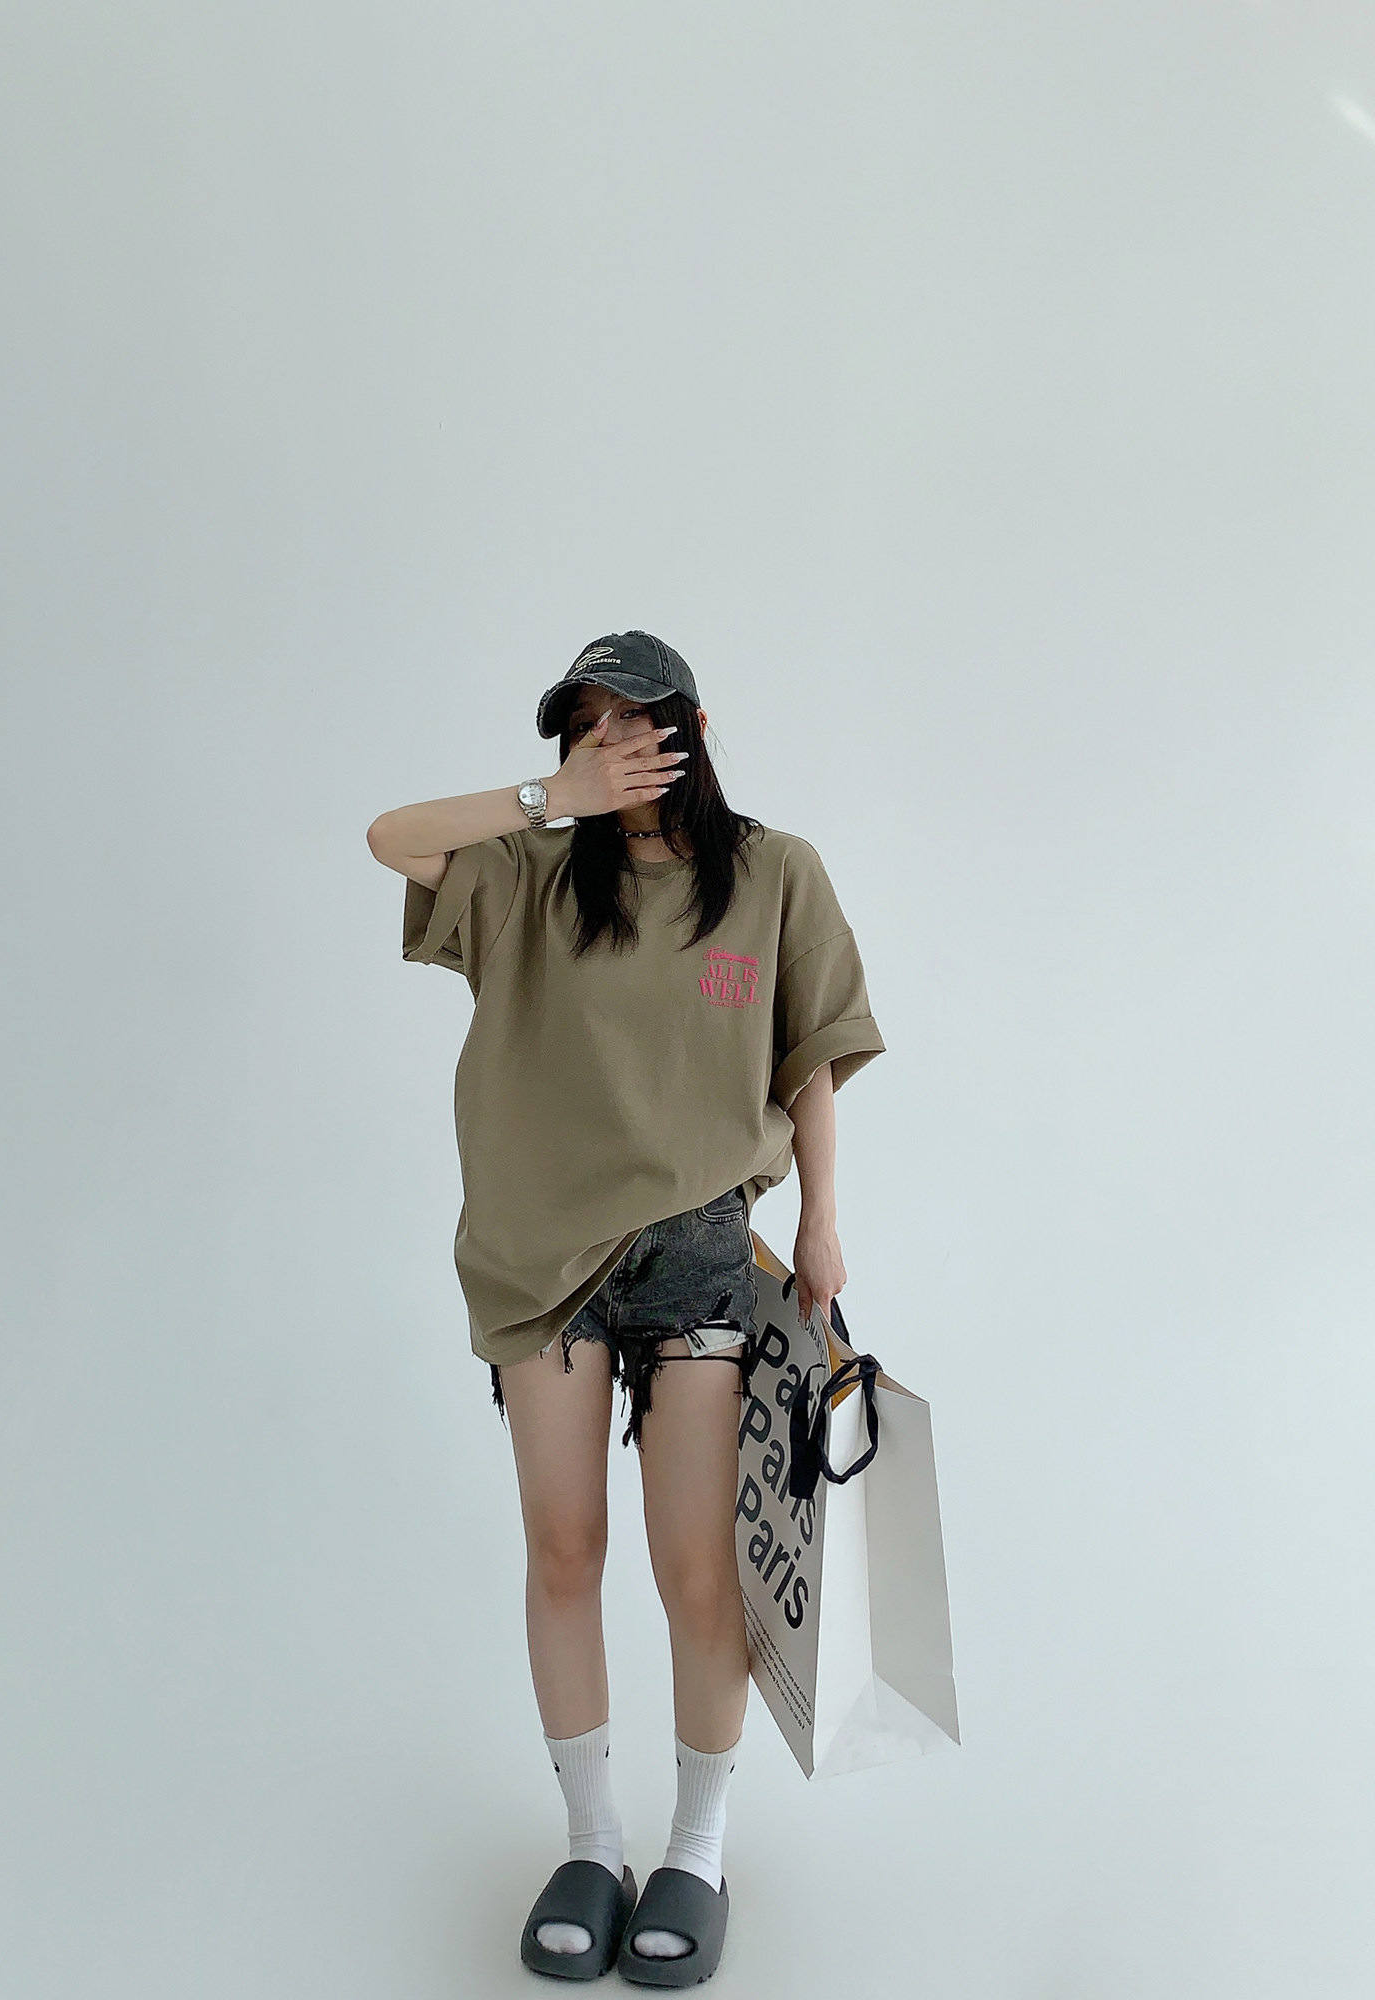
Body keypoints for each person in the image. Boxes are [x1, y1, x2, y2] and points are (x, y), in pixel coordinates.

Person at [367, 632, 884, 1985]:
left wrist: (821, 1222)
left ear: (690, 729)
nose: (606, 747)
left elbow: (811, 1057)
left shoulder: (774, 872)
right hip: (540, 1255)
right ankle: (593, 1844)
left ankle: (696, 1850)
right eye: (582, 728)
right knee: (563, 1550)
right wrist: (554, 802)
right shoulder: (533, 871)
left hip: (701, 1251)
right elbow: (387, 837)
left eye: (629, 723)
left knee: (694, 1564)